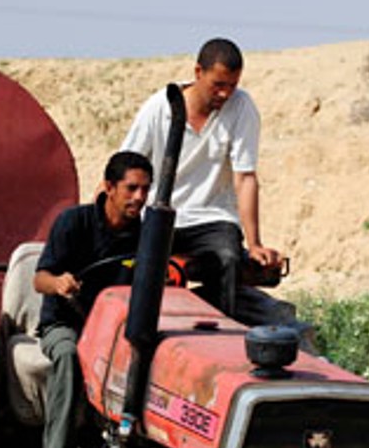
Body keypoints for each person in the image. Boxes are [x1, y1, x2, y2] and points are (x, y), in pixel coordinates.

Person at [119, 37, 280, 317]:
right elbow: (124, 167)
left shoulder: (241, 108)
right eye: (218, 85)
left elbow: (245, 178)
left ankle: (222, 330)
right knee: (125, 264)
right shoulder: (161, 107)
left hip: (211, 218)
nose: (225, 94)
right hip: (159, 217)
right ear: (198, 73)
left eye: (232, 86)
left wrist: (254, 243)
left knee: (227, 258)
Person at [33, 150, 153, 448]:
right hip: (66, 323)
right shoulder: (73, 222)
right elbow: (39, 278)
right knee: (70, 355)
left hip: (114, 332)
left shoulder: (147, 236)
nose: (139, 197)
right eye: (131, 188)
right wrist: (58, 283)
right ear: (109, 187)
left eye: (145, 190)